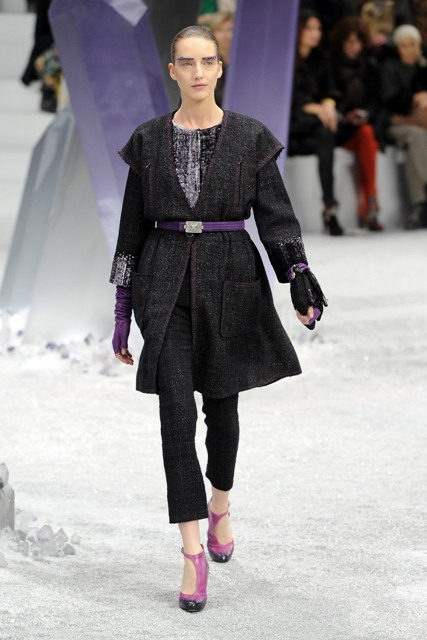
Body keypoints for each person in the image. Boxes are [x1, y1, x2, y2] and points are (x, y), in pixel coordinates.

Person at [109, 25, 327, 613]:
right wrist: (123, 309)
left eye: (207, 61)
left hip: (231, 282)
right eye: (187, 62)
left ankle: (220, 503)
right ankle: (191, 551)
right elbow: (130, 229)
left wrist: (298, 275)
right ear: (173, 70)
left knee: (221, 410)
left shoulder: (251, 137)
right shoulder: (147, 140)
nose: (198, 72)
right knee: (175, 414)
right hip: (164, 286)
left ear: (220, 67)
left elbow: (276, 217)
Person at [289, 11, 343, 235]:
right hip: (288, 126)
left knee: (326, 134)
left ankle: (330, 206)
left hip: (311, 126)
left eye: (318, 29)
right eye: (310, 28)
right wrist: (316, 108)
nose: (315, 33)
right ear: (298, 29)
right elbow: (288, 99)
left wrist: (328, 104)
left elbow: (331, 89)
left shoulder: (319, 59)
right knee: (324, 129)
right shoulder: (286, 59)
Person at [329, 17, 384, 230]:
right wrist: (345, 116)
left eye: (358, 42)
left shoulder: (368, 67)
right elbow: (328, 97)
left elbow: (376, 101)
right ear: (342, 42)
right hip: (338, 131)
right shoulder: (331, 66)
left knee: (366, 133)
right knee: (367, 138)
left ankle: (370, 201)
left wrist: (365, 113)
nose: (354, 47)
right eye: (350, 42)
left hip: (362, 129)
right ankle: (370, 204)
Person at [378, 24, 427, 228]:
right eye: (404, 46)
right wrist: (414, 98)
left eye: (413, 45)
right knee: (416, 136)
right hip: (394, 123)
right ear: (398, 48)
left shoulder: (423, 68)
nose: (410, 50)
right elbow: (388, 103)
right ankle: (420, 203)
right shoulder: (389, 69)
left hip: (420, 122)